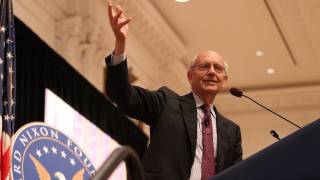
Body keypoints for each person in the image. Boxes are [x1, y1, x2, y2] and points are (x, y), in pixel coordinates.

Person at [105, 1, 243, 180]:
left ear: (224, 80)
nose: (211, 71)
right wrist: (120, 43)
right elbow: (122, 95)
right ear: (189, 76)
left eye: (217, 68)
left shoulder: (232, 131)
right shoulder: (166, 102)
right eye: (204, 66)